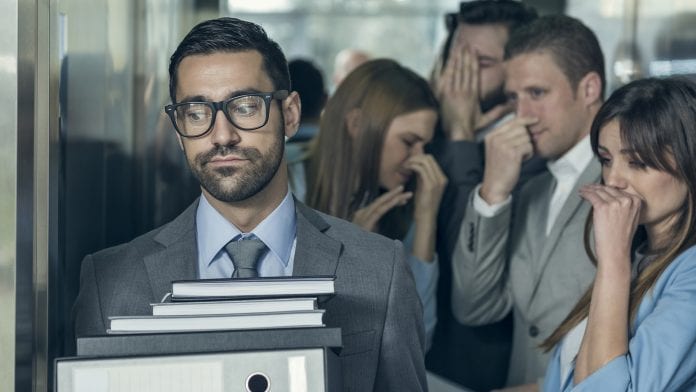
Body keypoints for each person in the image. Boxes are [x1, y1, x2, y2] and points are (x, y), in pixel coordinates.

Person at [72, 17, 427, 392]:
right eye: (196, 113)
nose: (222, 136)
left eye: (244, 107)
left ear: (289, 115)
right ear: (179, 130)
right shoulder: (110, 282)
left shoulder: (379, 269)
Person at [451, 15, 605, 390]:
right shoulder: (530, 191)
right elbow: (474, 307)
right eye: (513, 97)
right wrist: (492, 195)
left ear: (588, 90)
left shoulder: (630, 181)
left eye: (537, 94)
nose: (523, 115)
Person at [542, 76, 696, 391]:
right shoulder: (642, 256)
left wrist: (613, 256)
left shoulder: (689, 272)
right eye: (606, 160)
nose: (612, 181)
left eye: (638, 163)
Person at [426, 2, 543, 390]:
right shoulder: (429, 129)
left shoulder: (533, 154)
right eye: (456, 55)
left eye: (481, 62)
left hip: (476, 367)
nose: (460, 73)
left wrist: (461, 136)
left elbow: (468, 258)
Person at [290, 59, 446, 351]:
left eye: (425, 146)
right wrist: (349, 257)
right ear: (356, 124)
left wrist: (426, 221)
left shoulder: (401, 202)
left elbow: (417, 343)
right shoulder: (286, 186)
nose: (418, 159)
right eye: (409, 142)